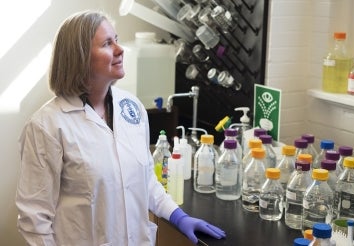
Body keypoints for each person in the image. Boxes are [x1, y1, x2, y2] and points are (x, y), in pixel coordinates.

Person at [15, 10, 225, 246]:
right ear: (80, 57)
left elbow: (145, 179)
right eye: (107, 43)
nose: (120, 49)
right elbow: (35, 220)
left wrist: (178, 216)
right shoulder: (47, 126)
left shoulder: (131, 107)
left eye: (116, 39)